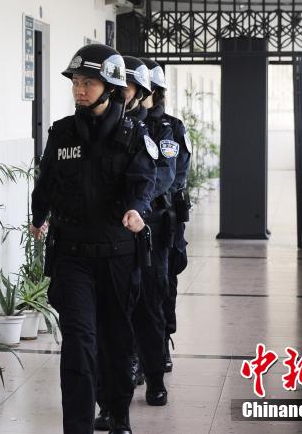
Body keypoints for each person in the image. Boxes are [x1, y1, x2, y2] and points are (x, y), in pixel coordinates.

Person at [30, 44, 158, 434]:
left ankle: (118, 413)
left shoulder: (133, 134)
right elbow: (47, 181)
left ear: (112, 86)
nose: (80, 90)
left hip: (118, 256)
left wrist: (137, 210)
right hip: (72, 257)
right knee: (79, 345)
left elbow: (144, 181)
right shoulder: (62, 132)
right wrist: (38, 216)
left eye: (89, 83)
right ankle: (78, 427)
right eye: (77, 83)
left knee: (116, 344)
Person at [123, 56, 177, 408]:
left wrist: (135, 207)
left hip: (150, 230)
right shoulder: (112, 128)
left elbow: (165, 175)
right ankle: (125, 373)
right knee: (117, 311)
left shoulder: (162, 131)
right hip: (115, 232)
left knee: (150, 306)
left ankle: (155, 376)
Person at [139, 58, 193, 375]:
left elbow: (170, 175)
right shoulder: (128, 124)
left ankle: (160, 344)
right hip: (133, 220)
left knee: (162, 284)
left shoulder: (170, 128)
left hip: (162, 220)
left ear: (156, 92)